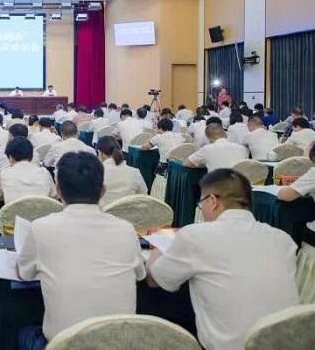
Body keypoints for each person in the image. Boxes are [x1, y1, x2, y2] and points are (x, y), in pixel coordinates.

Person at [147, 169, 298, 350]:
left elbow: (156, 280)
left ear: (212, 201)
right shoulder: (283, 239)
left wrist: (158, 243)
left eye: (201, 203)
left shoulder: (196, 235)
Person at [17, 152, 146, 349]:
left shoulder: (41, 228)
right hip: (119, 344)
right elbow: (140, 275)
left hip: (63, 345)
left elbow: (24, 274)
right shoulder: (126, 229)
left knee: (24, 332)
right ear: (102, 191)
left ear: (58, 190)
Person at [0, 137, 56, 203]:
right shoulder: (44, 173)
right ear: (31, 156)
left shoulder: (4, 173)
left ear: (10, 157)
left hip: (14, 210)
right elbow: (54, 196)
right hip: (42, 209)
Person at [96, 136, 147, 205]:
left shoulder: (95, 173)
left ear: (100, 153)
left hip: (102, 211)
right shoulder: (134, 172)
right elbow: (144, 197)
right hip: (129, 210)